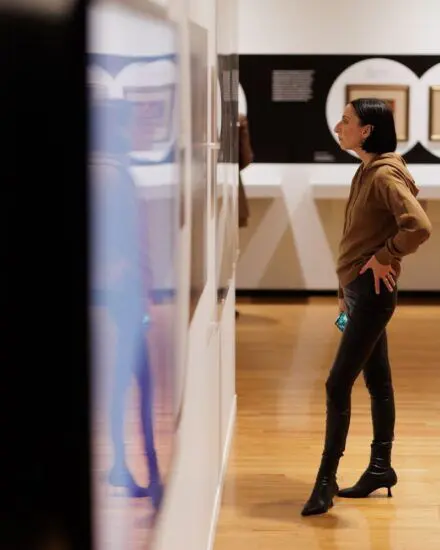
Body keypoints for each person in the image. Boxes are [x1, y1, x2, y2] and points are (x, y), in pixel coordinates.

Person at [301, 98, 432, 517]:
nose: (338, 127)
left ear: (367, 130)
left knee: (337, 384)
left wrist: (386, 255)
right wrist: (345, 288)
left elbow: (419, 226)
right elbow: (358, 236)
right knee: (378, 381)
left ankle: (326, 479)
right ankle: (380, 468)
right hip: (359, 292)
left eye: (346, 121)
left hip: (373, 295)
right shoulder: (367, 170)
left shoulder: (383, 174)